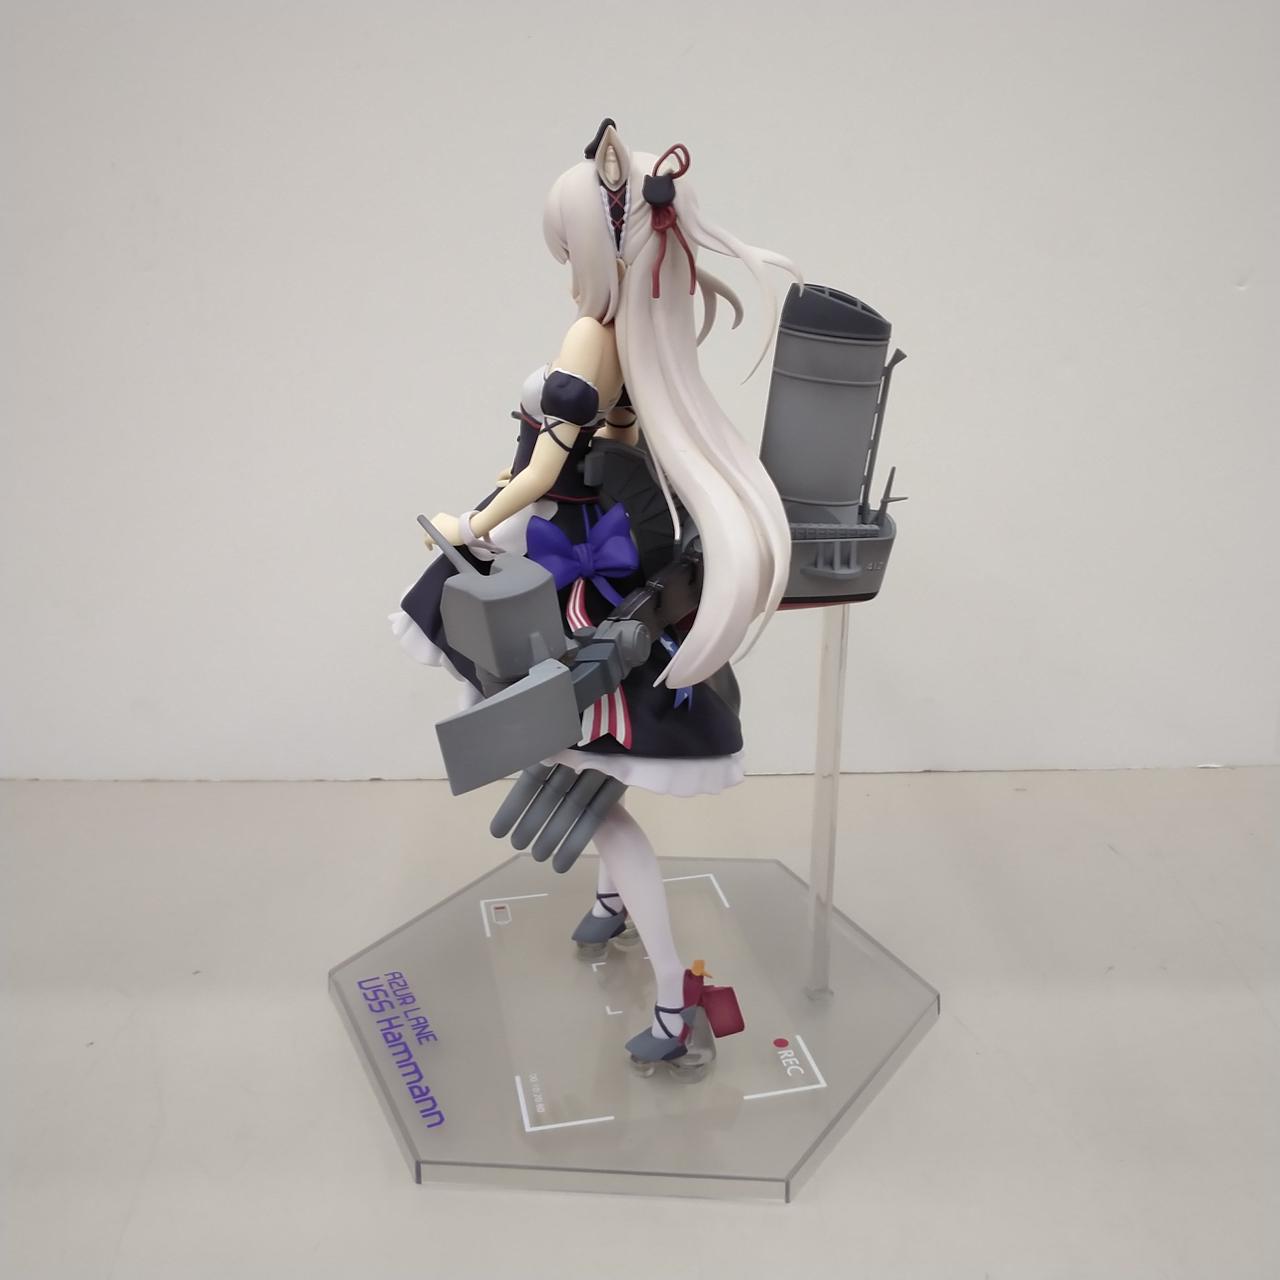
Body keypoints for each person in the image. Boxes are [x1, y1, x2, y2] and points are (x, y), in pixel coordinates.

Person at [390, 119, 799, 1067]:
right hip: (595, 564)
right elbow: (579, 459)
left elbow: (545, 470)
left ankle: (671, 998)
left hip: (579, 591)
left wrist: (470, 522)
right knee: (582, 780)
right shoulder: (646, 343)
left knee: (598, 804)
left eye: (569, 244)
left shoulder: (593, 335)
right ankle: (616, 910)